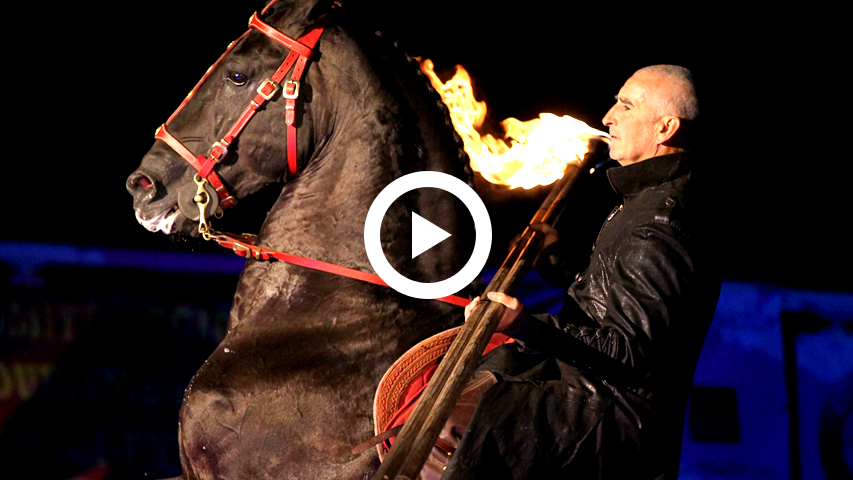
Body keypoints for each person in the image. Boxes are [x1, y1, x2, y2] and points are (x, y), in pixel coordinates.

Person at [442, 65, 721, 479]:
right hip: (593, 399)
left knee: (463, 417)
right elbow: (613, 303)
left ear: (666, 128)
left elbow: (629, 353)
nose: (609, 116)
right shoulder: (649, 202)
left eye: (626, 105)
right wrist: (555, 260)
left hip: (607, 419)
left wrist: (522, 323)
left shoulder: (660, 222)